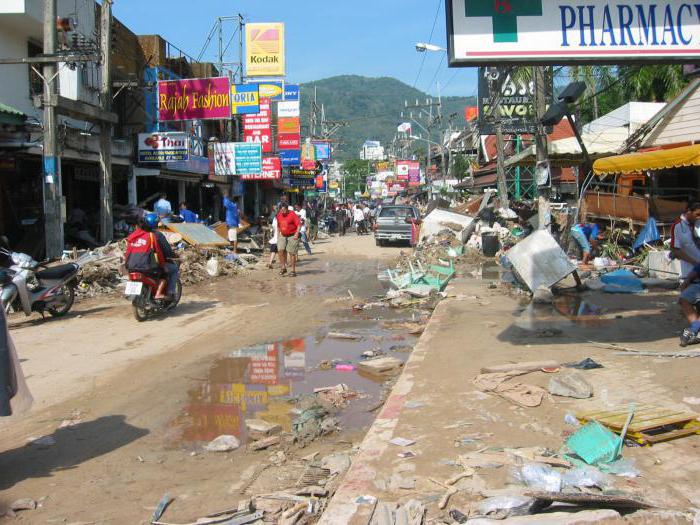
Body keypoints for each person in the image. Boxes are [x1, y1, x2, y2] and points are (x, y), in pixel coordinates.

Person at [125, 213, 179, 300]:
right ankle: (165, 293)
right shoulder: (154, 235)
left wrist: (127, 265)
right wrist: (163, 264)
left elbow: (127, 252)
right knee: (171, 270)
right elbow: (161, 252)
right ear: (156, 224)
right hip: (147, 265)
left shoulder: (134, 235)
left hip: (131, 266)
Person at [671, 202, 700, 280]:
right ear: (689, 211)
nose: (699, 218)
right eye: (697, 215)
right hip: (688, 275)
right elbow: (675, 250)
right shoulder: (678, 226)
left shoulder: (698, 224)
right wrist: (695, 263)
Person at [276, 205, 301, 277]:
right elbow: (278, 225)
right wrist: (277, 234)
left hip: (292, 235)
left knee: (291, 252)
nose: (283, 212)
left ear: (287, 209)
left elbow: (299, 224)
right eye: (281, 210)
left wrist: (296, 234)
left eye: (284, 210)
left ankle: (293, 270)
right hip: (283, 235)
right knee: (280, 250)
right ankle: (283, 267)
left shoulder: (292, 214)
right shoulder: (279, 215)